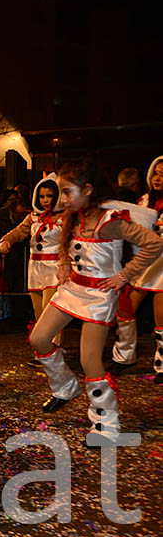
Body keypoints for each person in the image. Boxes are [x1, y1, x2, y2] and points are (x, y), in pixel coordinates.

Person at [28, 160, 163, 448]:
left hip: (100, 296)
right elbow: (64, 244)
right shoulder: (75, 215)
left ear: (88, 189)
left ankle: (106, 424)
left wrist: (124, 275)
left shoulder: (112, 220)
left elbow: (154, 244)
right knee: (39, 338)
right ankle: (65, 387)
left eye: (67, 192)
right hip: (73, 287)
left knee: (91, 361)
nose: (63, 199)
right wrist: (64, 263)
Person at [0, 174, 64, 366]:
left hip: (55, 268)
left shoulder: (66, 217)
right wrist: (6, 240)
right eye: (42, 196)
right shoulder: (33, 217)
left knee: (50, 312)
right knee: (37, 312)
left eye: (49, 196)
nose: (45, 200)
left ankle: (52, 353)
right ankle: (43, 352)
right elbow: (19, 231)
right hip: (35, 268)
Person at [109, 155, 163, 383]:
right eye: (157, 173)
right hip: (142, 261)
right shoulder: (142, 200)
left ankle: (162, 366)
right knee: (125, 310)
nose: (159, 178)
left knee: (162, 319)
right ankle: (123, 357)